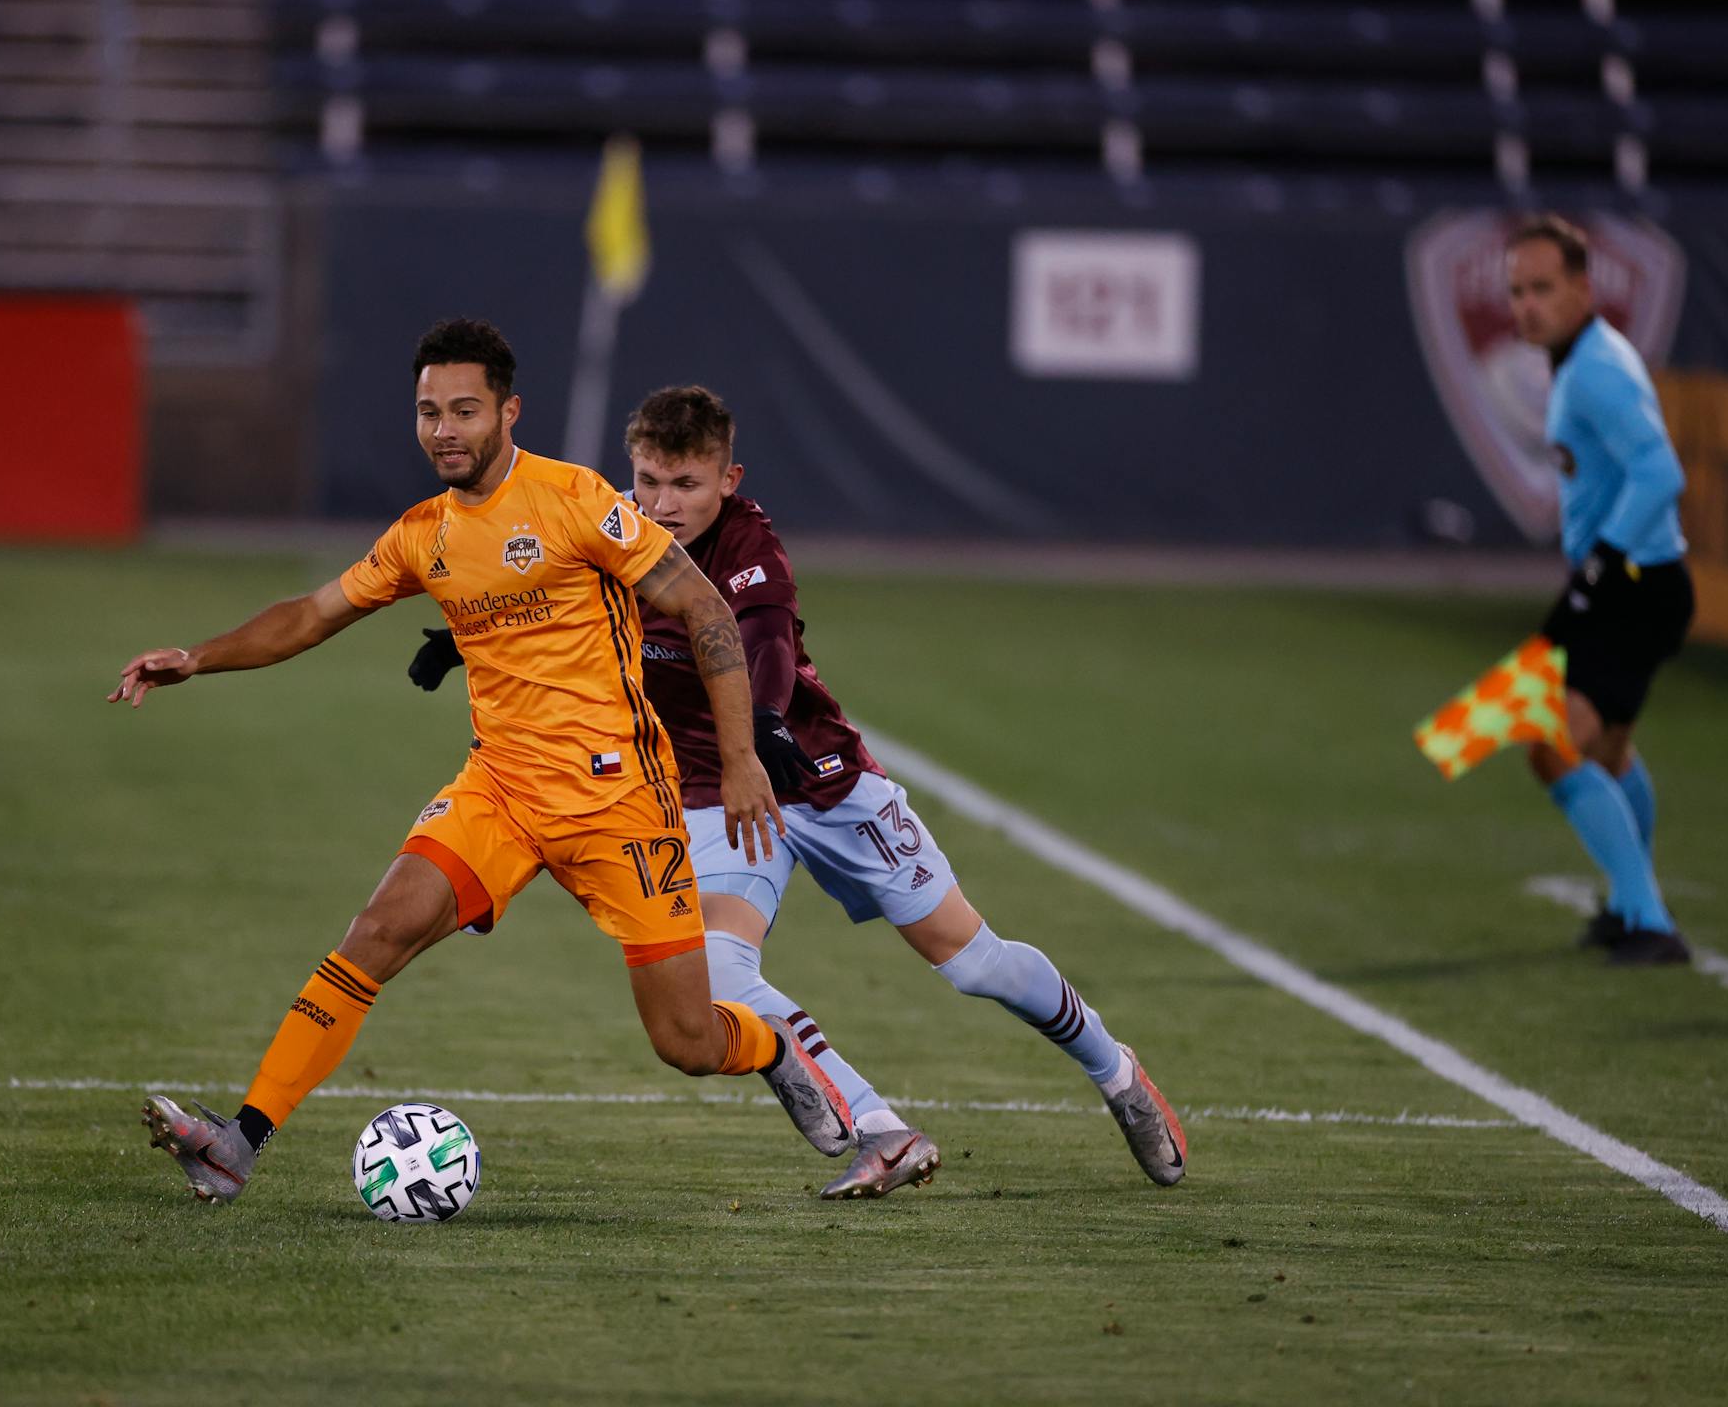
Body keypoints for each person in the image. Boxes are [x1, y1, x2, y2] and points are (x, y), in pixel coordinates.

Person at [109, 320, 855, 1204]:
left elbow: (706, 611)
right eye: (429, 412)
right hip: (499, 790)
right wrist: (197, 657)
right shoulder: (423, 534)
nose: (444, 430)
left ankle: (772, 1049)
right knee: (376, 933)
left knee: (688, 1041)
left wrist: (739, 762)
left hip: (618, 802)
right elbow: (310, 614)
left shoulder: (575, 499)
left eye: (464, 410)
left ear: (509, 412)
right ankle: (238, 1143)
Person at [413, 385, 1187, 1199]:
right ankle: (882, 1130)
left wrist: (766, 726)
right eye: (648, 481)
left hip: (817, 779)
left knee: (975, 963)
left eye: (686, 484)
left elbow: (765, 644)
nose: (664, 504)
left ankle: (1118, 1073)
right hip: (715, 796)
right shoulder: (613, 534)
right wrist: (467, 639)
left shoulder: (751, 544)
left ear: (728, 480)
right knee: (717, 968)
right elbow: (544, 603)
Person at [1505, 215, 1696, 967]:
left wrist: (1602, 564)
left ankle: (1649, 919)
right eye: (1518, 291)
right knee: (1609, 751)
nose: (1528, 306)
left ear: (1583, 290)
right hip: (1641, 583)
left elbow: (1661, 472)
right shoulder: (1584, 359)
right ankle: (1628, 908)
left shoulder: (1595, 370)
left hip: (1632, 587)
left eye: (1543, 289)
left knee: (1551, 748)